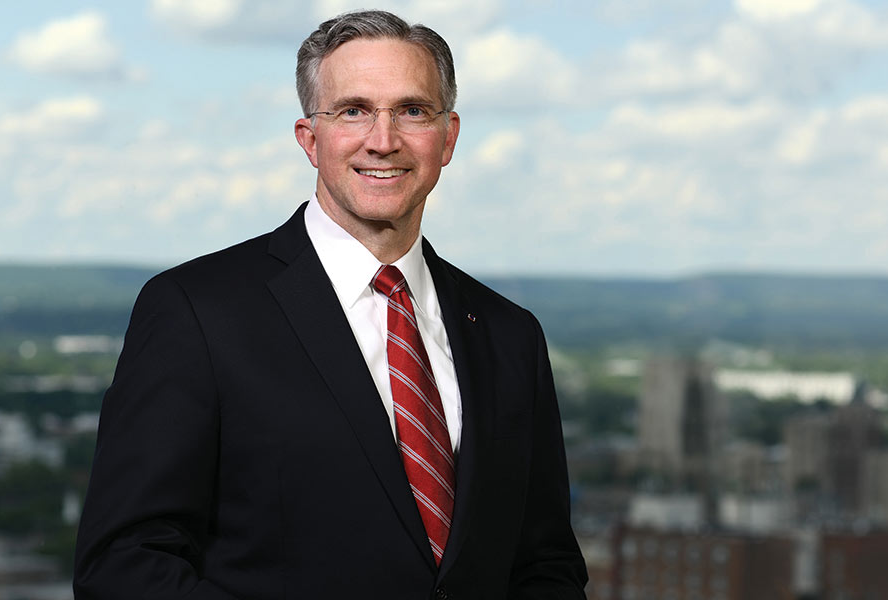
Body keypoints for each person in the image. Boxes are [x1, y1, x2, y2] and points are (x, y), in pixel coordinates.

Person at [73, 9, 587, 599]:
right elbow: (124, 565)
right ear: (309, 139)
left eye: (412, 110)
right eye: (353, 110)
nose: (383, 139)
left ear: (448, 137)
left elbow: (546, 565)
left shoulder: (509, 334)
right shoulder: (196, 312)